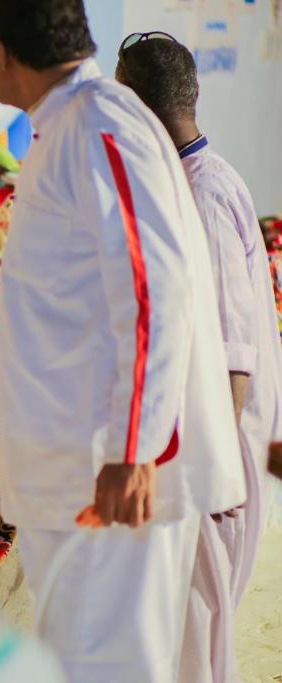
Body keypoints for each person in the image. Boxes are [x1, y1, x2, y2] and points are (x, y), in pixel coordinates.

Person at [0, 1, 247, 681]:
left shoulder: (98, 124)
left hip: (112, 479)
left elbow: (157, 286)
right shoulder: (73, 125)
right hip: (83, 478)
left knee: (113, 668)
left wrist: (134, 451)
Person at [116, 34, 282, 683]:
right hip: (204, 463)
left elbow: (229, 361)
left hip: (210, 469)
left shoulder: (205, 196)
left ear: (137, 106)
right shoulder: (192, 180)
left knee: (195, 654)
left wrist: (205, 481)